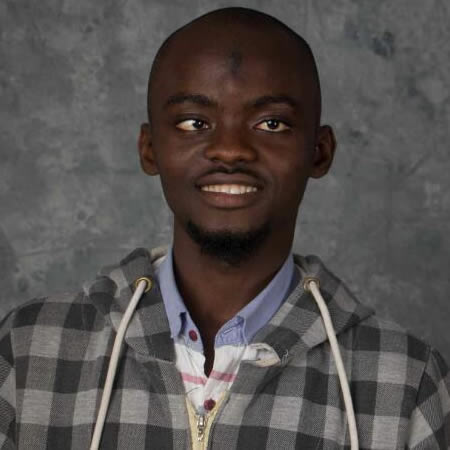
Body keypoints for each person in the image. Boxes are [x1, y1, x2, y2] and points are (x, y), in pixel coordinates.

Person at [0, 7, 448, 449]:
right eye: (194, 122)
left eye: (271, 123)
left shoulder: (407, 383)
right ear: (150, 148)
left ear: (319, 152)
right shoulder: (30, 349)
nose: (230, 150)